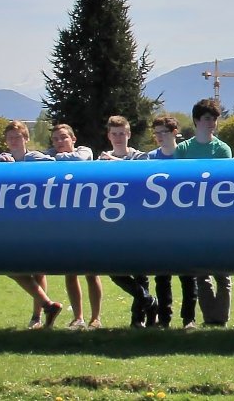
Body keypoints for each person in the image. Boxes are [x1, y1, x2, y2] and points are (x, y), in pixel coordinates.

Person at [0, 120, 65, 329]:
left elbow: (55, 167)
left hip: (37, 221)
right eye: (9, 138)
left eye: (17, 137)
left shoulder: (36, 158)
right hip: (13, 224)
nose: (13, 141)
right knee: (11, 267)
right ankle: (47, 305)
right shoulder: (2, 161)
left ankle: (38, 316)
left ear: (26, 139)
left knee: (38, 271)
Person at [176, 99, 233, 327]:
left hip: (218, 218)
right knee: (201, 273)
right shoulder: (183, 150)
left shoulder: (222, 149)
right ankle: (211, 319)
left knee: (223, 273)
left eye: (215, 119)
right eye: (207, 118)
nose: (212, 123)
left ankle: (221, 319)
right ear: (197, 120)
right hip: (193, 218)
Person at [97, 115, 157, 328]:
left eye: (122, 133)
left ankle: (139, 319)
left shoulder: (141, 157)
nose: (119, 137)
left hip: (138, 223)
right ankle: (149, 301)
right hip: (113, 226)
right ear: (109, 136)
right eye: (115, 134)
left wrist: (114, 163)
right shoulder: (101, 161)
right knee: (115, 271)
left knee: (141, 273)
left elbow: (139, 174)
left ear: (129, 134)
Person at [43, 123, 102, 328]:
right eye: (56, 139)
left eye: (63, 138)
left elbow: (79, 159)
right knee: (70, 272)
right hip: (63, 220)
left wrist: (52, 159)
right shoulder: (48, 157)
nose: (59, 142)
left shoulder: (83, 151)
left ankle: (96, 318)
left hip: (86, 219)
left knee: (91, 272)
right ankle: (78, 317)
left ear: (73, 138)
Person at [134, 115, 184, 328]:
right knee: (161, 276)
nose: (160, 137)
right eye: (157, 133)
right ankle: (162, 319)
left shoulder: (185, 155)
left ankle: (185, 319)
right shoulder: (150, 158)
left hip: (180, 222)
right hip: (157, 224)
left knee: (186, 276)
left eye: (164, 132)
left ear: (174, 133)